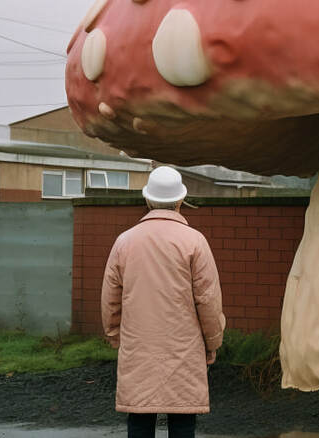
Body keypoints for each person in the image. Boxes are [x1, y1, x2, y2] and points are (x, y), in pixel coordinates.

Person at [101, 166, 226, 438]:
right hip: (184, 348)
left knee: (139, 422)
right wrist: (212, 342)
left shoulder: (124, 242)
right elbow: (208, 300)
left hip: (139, 346)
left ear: (148, 200)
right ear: (180, 200)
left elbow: (111, 299)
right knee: (182, 423)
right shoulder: (195, 242)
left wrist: (114, 336)